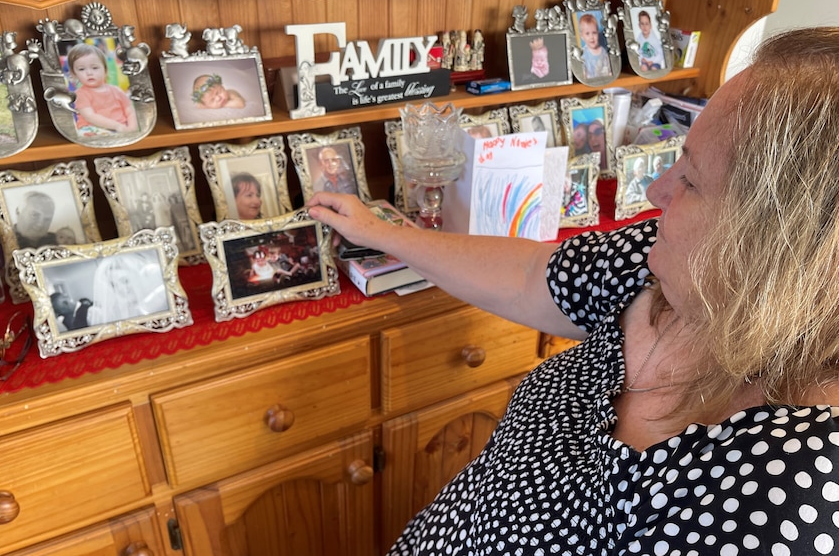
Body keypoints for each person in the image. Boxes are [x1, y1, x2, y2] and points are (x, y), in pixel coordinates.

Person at [308, 27, 839, 553]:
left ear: (776, 244)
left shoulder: (784, 491)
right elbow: (529, 275)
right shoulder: (661, 260)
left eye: (693, 181)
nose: (656, 191)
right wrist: (380, 233)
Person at [67, 43, 138, 133]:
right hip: (93, 128)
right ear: (74, 74)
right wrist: (116, 126)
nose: (89, 73)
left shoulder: (116, 90)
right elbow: (90, 116)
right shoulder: (80, 94)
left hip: (121, 128)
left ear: (105, 70)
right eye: (81, 69)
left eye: (95, 68)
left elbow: (130, 111)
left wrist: (132, 128)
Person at [88, 252, 167, 326]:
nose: (120, 288)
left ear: (137, 277)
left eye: (124, 281)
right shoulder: (117, 314)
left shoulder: (159, 298)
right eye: (114, 285)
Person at [578, 13, 611, 79]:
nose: (591, 37)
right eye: (587, 34)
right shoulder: (583, 53)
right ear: (582, 36)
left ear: (598, 33)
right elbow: (583, 72)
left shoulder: (603, 51)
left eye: (594, 33)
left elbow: (608, 68)